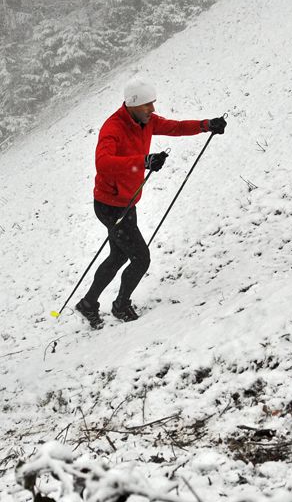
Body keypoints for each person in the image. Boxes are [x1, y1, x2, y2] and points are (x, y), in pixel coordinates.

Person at [75, 76, 227, 328]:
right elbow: (103, 163)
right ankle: (120, 306)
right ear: (132, 104)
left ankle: (89, 303)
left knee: (118, 256)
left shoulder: (145, 121)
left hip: (126, 201)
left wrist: (206, 125)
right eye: (147, 105)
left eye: (153, 104)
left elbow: (175, 127)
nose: (152, 109)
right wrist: (142, 162)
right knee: (140, 258)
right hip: (110, 205)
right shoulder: (113, 128)